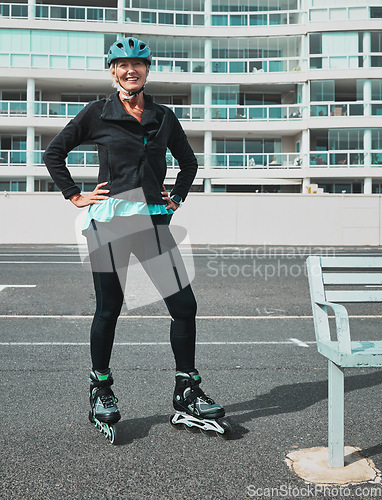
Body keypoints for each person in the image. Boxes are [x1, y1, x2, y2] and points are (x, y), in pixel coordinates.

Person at [43, 36, 227, 438]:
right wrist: (75, 195)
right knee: (109, 308)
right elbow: (54, 153)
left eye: (137, 65)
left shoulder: (163, 116)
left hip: (153, 221)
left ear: (147, 70)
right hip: (108, 223)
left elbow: (189, 163)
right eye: (122, 65)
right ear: (113, 72)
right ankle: (101, 388)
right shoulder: (97, 113)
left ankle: (186, 389)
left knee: (184, 305)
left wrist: (176, 197)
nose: (130, 71)